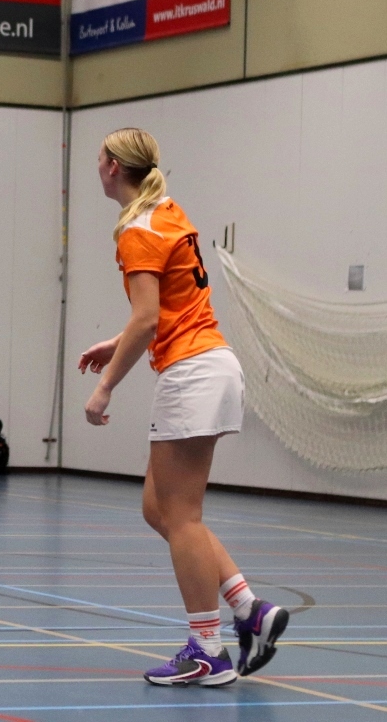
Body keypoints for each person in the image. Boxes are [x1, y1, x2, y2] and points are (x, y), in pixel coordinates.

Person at [80, 127, 289, 686]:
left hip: (193, 371)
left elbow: (149, 318)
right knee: (159, 509)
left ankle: (207, 650)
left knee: (182, 517)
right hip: (209, 364)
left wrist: (105, 387)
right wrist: (117, 343)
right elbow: (168, 307)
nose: (95, 165)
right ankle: (248, 608)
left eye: (98, 158)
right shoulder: (167, 212)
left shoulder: (137, 230)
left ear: (112, 167)